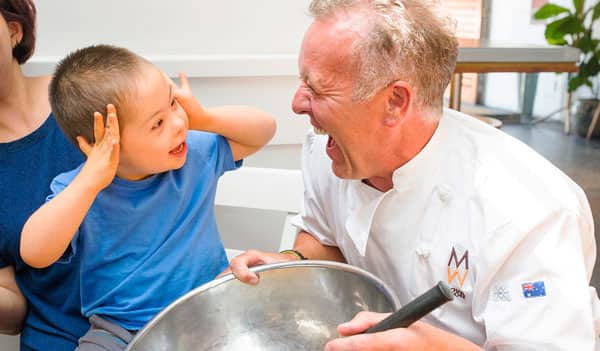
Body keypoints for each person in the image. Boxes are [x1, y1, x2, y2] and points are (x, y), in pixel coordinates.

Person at [228, 0, 599, 350]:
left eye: (318, 88)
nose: (297, 103)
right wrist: (294, 262)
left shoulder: (531, 213)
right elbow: (328, 236)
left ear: (395, 102)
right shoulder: (329, 150)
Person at [19, 44, 276, 350]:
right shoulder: (81, 189)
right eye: (158, 123)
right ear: (105, 143)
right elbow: (34, 252)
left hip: (209, 310)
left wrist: (203, 118)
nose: (179, 124)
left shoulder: (194, 153)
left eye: (173, 104)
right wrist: (90, 180)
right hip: (119, 330)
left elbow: (264, 129)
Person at [0, 1, 89, 350]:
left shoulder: (90, 93)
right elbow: (15, 309)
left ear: (13, 30)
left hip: (159, 323)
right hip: (57, 340)